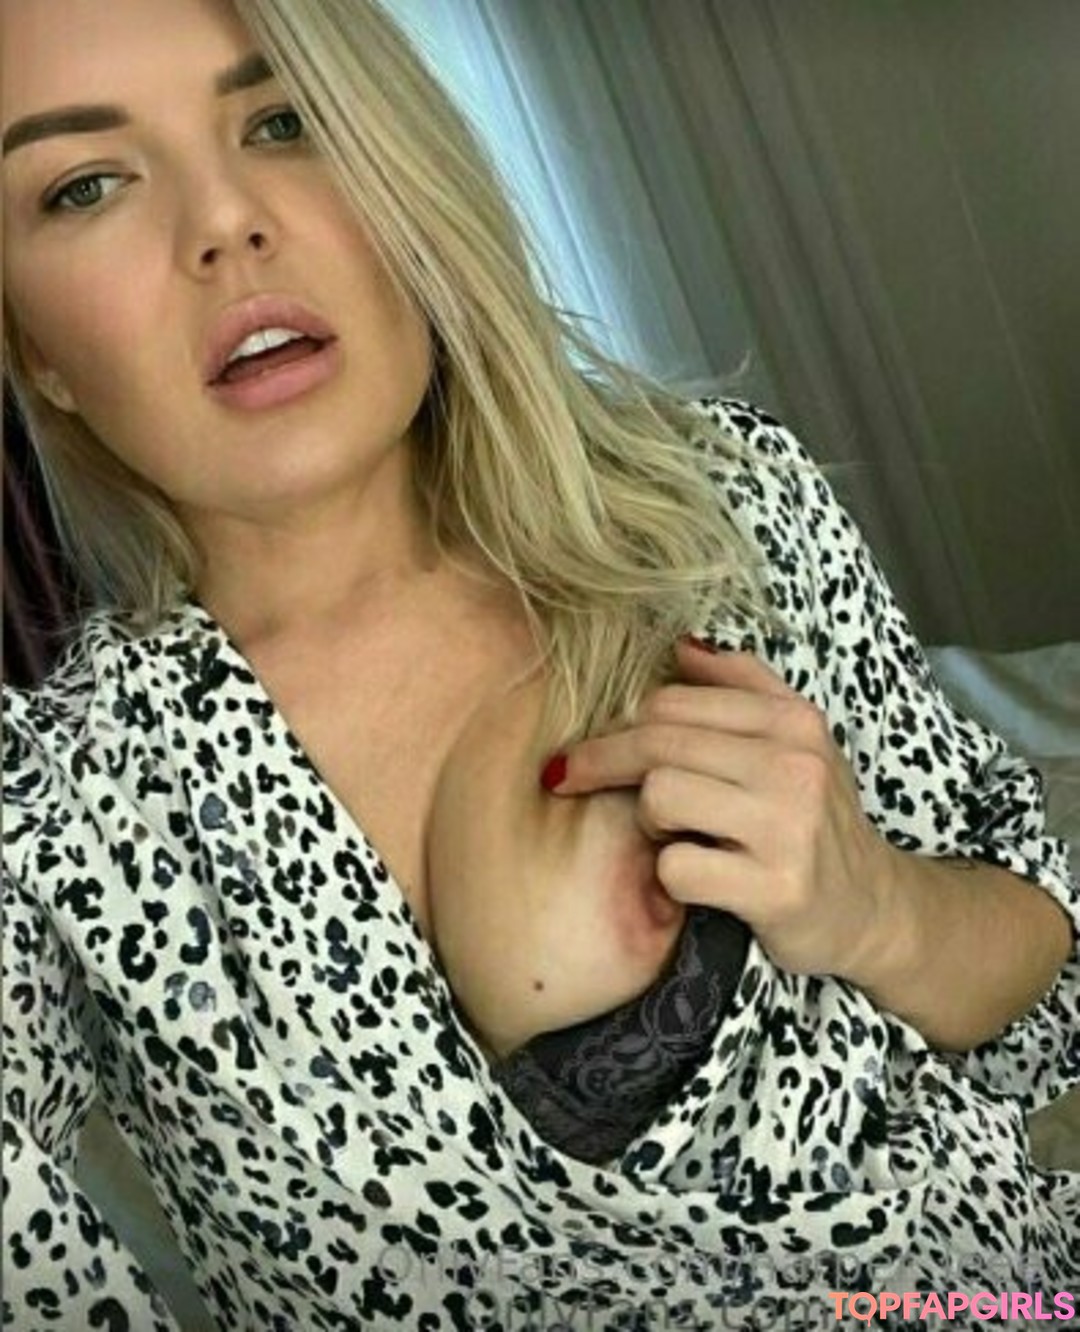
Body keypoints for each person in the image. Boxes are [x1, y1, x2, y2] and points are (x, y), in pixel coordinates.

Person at [2, 0, 1077, 1327]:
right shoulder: (52, 818)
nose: (224, 223)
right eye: (86, 186)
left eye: (282, 120)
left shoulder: (715, 512)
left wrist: (874, 906)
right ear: (37, 352)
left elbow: (1035, 976)